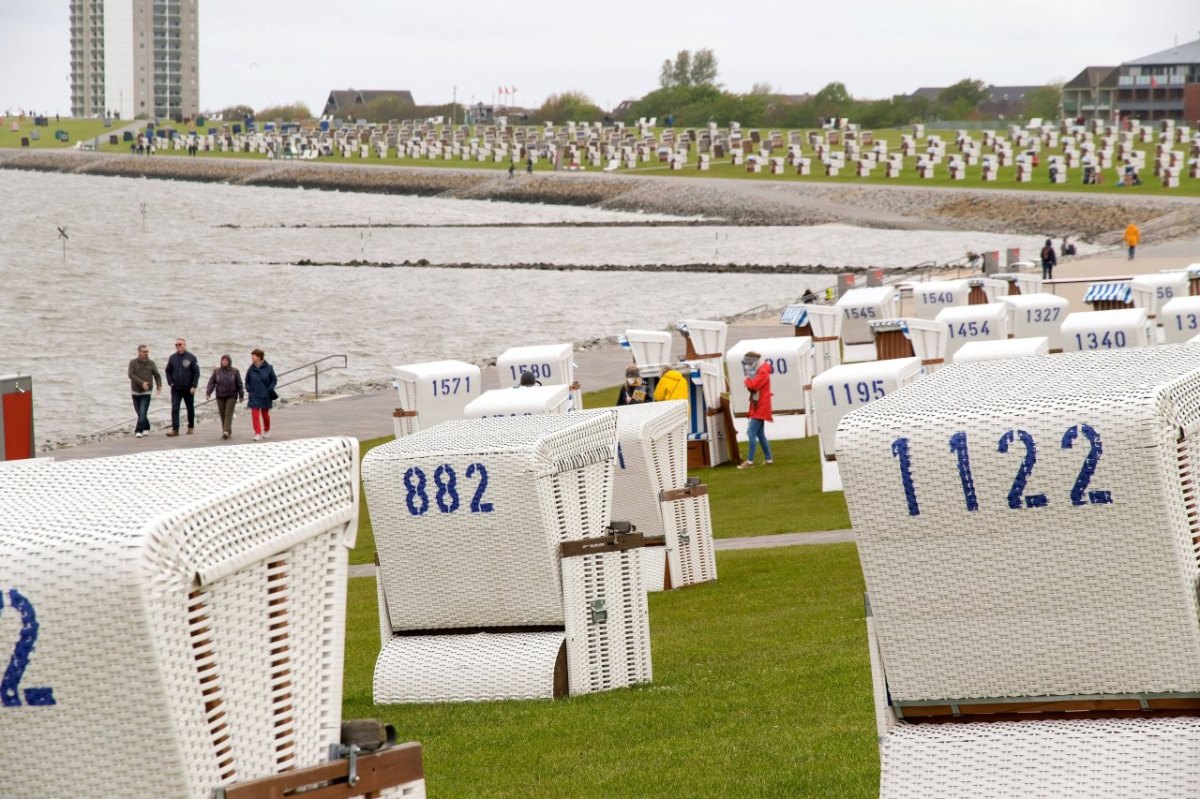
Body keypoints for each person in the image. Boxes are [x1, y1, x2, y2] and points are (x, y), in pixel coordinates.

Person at [739, 351, 774, 468]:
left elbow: (753, 385)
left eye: (748, 364)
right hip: (759, 406)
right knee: (759, 433)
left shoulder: (762, 372)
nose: (746, 366)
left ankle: (750, 461)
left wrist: (746, 380)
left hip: (760, 407)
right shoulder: (760, 370)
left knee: (751, 432)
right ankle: (769, 459)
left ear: (753, 362)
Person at [164, 337, 200, 436]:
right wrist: (170, 382)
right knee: (175, 408)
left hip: (188, 388)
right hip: (176, 388)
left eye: (180, 344)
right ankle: (175, 429)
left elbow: (196, 372)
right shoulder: (172, 358)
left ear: (184, 345)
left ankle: (191, 426)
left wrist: (194, 385)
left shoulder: (191, 357)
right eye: (176, 345)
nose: (178, 346)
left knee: (190, 408)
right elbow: (167, 371)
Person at [205, 354, 244, 440]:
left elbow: (239, 384)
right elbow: (211, 383)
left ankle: (225, 431)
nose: (224, 362)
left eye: (226, 360)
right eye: (222, 360)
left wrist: (241, 395)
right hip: (220, 396)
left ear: (229, 361)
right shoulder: (216, 371)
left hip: (232, 396)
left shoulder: (235, 371)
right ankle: (227, 430)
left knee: (228, 413)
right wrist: (208, 393)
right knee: (222, 414)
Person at [127, 344, 162, 438]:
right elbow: (131, 375)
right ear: (139, 352)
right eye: (144, 351)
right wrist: (142, 383)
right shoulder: (133, 362)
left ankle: (138, 430)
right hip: (135, 392)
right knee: (139, 412)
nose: (146, 353)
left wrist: (159, 385)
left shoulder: (151, 363)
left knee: (142, 411)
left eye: (147, 351)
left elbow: (157, 375)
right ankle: (146, 426)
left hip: (146, 392)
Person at [245, 348, 278, 441]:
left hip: (265, 395)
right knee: (255, 414)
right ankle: (257, 433)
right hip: (254, 394)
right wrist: (248, 389)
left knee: (265, 414)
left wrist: (270, 388)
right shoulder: (251, 369)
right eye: (252, 356)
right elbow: (247, 381)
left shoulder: (269, 368)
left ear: (259, 357)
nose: (252, 357)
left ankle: (267, 430)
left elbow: (274, 380)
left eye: (253, 356)